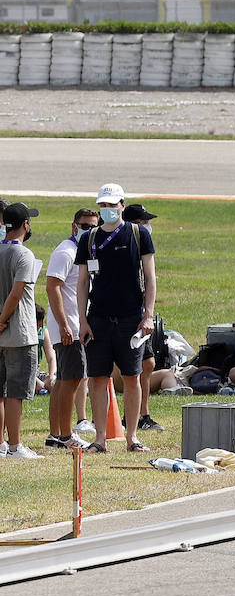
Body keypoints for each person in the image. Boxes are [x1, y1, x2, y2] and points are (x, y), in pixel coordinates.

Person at [76, 184, 156, 453]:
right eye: (103, 206)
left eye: (112, 205)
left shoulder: (138, 233)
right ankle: (100, 438)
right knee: (98, 378)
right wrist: (82, 320)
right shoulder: (89, 238)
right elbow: (83, 281)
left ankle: (132, 436)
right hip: (97, 317)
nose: (108, 210)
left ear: (123, 204)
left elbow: (150, 276)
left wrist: (148, 315)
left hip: (130, 318)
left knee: (132, 376)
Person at [45, 207, 98, 450]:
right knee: (72, 380)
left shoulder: (85, 251)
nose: (89, 230)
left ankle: (55, 435)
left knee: (65, 380)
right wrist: (65, 325)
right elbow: (52, 287)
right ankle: (66, 436)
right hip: (69, 328)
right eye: (85, 226)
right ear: (74, 226)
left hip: (75, 326)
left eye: (93, 227)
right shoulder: (66, 251)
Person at [0, 203, 43, 459]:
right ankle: (15, 446)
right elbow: (17, 293)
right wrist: (3, 319)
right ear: (25, 224)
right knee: (15, 393)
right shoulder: (23, 255)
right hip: (18, 333)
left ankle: (1, 445)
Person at [118, 203, 163, 432]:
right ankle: (135, 416)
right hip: (129, 313)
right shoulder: (127, 244)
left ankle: (141, 413)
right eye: (144, 221)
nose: (148, 226)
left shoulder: (139, 243)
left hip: (141, 311)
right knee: (136, 367)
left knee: (148, 363)